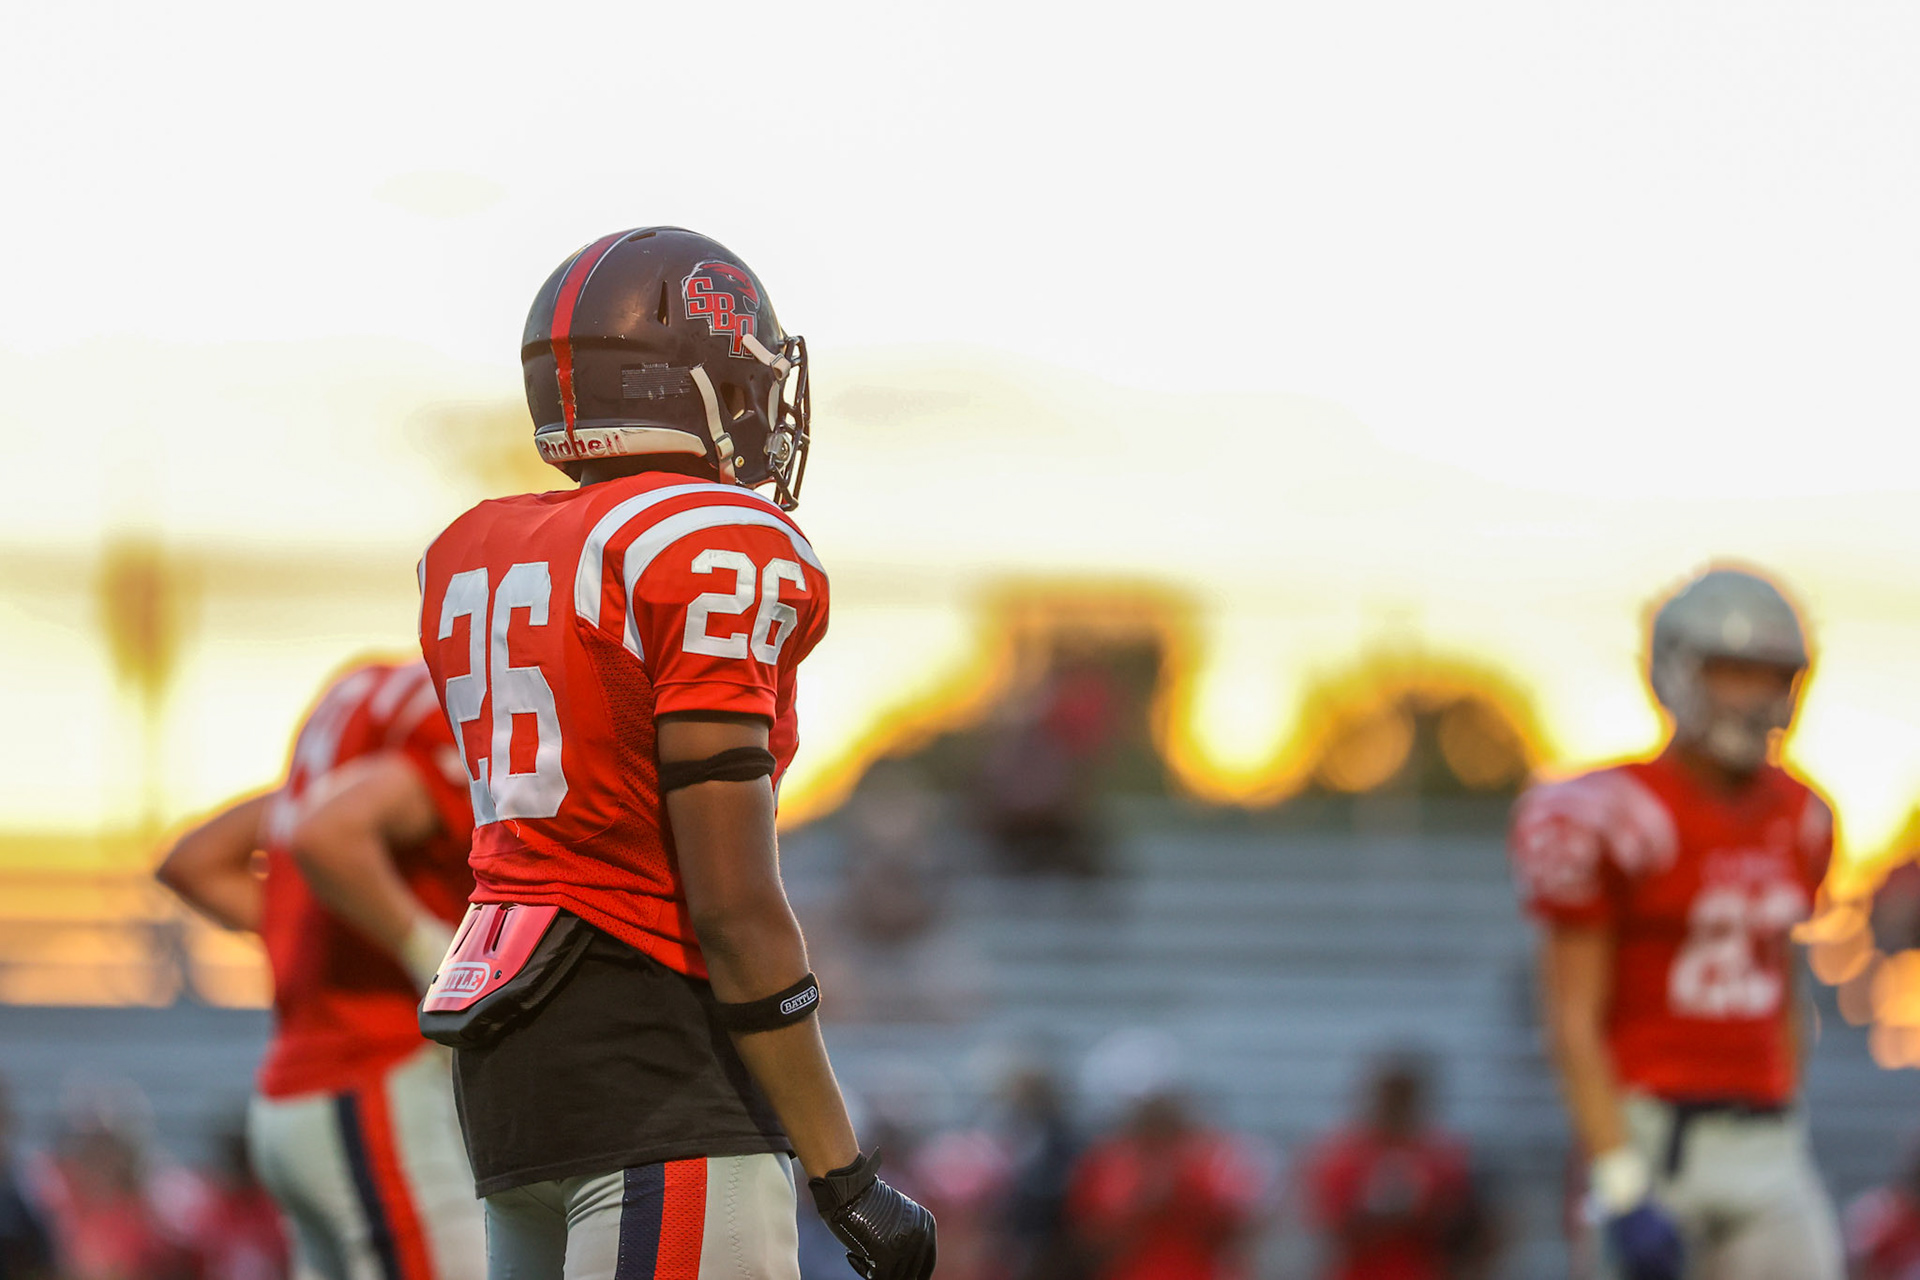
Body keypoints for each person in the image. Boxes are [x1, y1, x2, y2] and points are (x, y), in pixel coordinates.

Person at [414, 227, 935, 1280]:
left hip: (508, 1056)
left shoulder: (479, 544)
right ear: (688, 385)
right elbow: (735, 909)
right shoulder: (713, 542)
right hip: (655, 1051)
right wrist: (844, 1172)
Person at [1509, 566, 1842, 1280]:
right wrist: (1621, 1184)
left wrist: (1786, 1107)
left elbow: (1784, 986)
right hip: (1650, 1134)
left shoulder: (1803, 817)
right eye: (1730, 672)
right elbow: (1571, 1021)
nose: (1751, 696)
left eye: (1767, 674)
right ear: (1676, 671)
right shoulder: (1607, 813)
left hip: (1765, 1140)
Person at [157, 659, 484, 1279]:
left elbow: (195, 862)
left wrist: (300, 925)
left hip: (295, 1098)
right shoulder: (452, 712)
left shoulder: (362, 717)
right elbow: (326, 833)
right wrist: (432, 954)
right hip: (372, 1081)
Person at [1298, 1054, 1475, 1280]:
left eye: (1404, 1100)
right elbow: (1331, 1231)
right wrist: (1385, 1215)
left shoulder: (1442, 1157)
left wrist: (1425, 1212)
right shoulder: (1344, 1155)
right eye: (1392, 1099)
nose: (1397, 1109)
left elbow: (1457, 1232)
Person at [1066, 1088, 1265, 1280]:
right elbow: (1089, 1239)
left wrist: (1185, 1194)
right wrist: (1139, 1205)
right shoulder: (1110, 1166)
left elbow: (1240, 1231)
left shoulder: (1207, 1166)